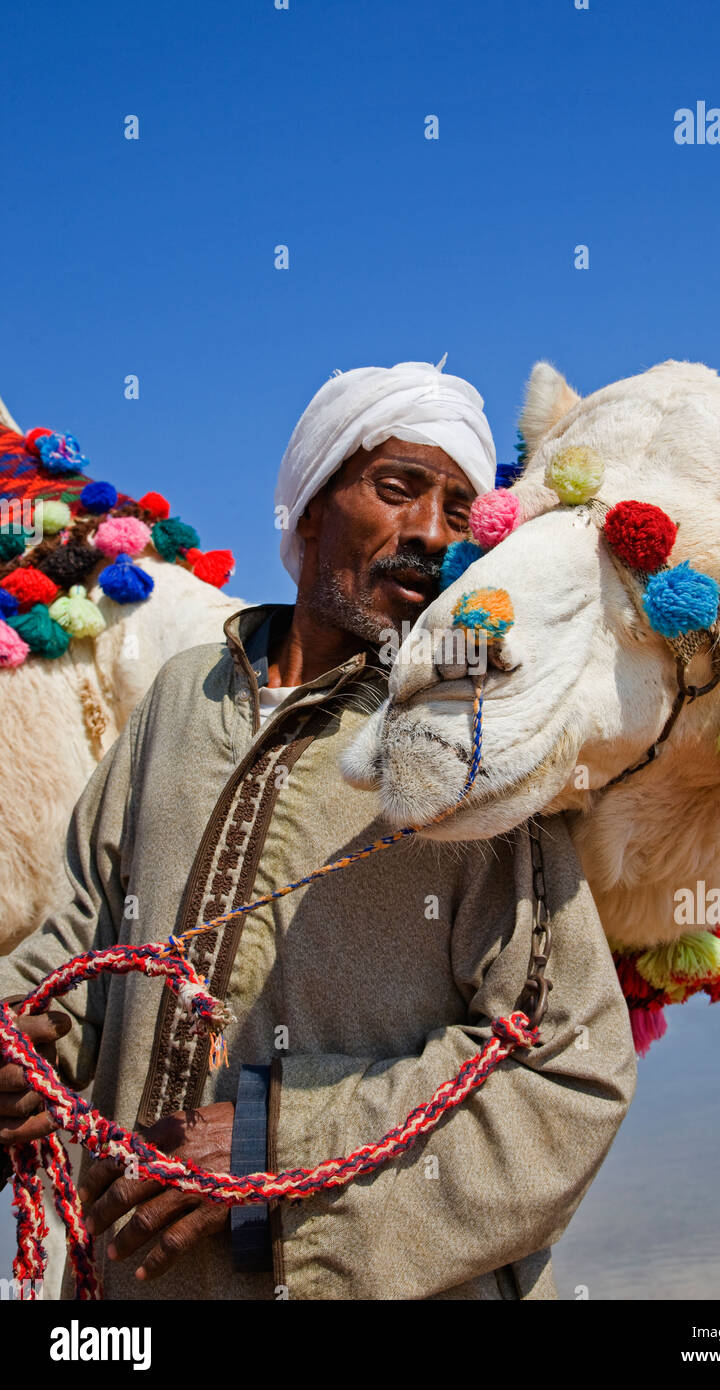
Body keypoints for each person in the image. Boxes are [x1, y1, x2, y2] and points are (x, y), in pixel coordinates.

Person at [0, 360, 637, 1301]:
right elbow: (88, 931)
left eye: (461, 511)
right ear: (307, 510)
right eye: (396, 487)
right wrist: (25, 1041)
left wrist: (273, 1140)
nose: (428, 531)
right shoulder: (184, 698)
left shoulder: (468, 738)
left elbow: (568, 1069)